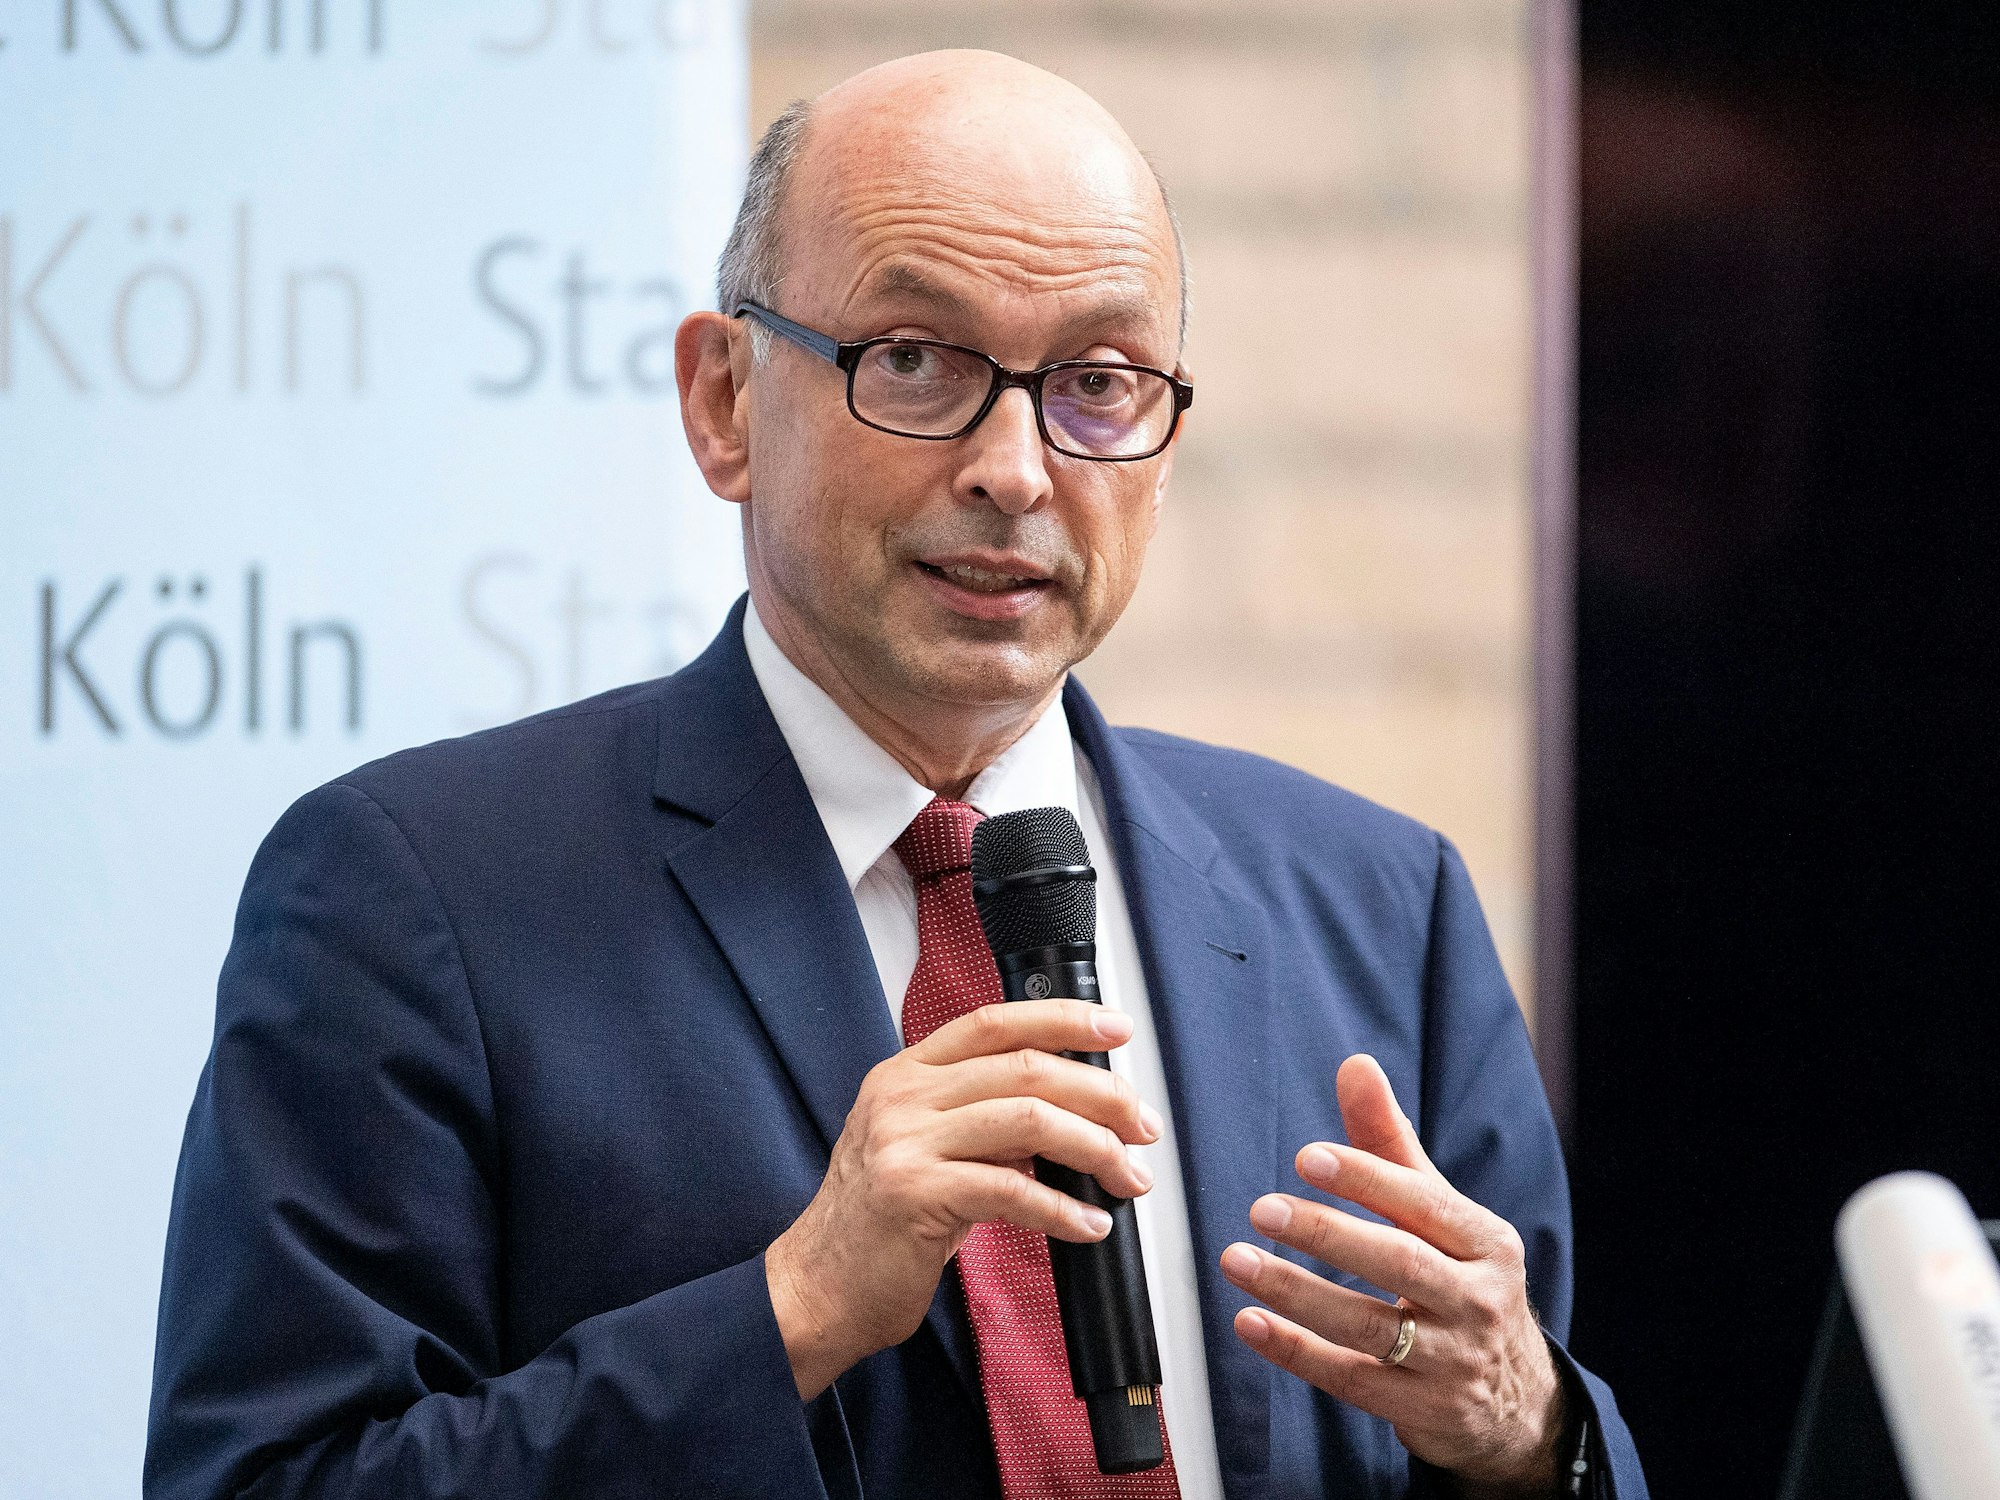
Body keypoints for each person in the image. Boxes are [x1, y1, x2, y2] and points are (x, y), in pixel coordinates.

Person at [146, 50, 1646, 1500]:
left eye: (1101, 381)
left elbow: (1554, 1445)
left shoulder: (1381, 904)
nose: (1016, 466)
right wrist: (791, 1307)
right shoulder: (418, 896)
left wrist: (1523, 1432)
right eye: (917, 360)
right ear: (726, 401)